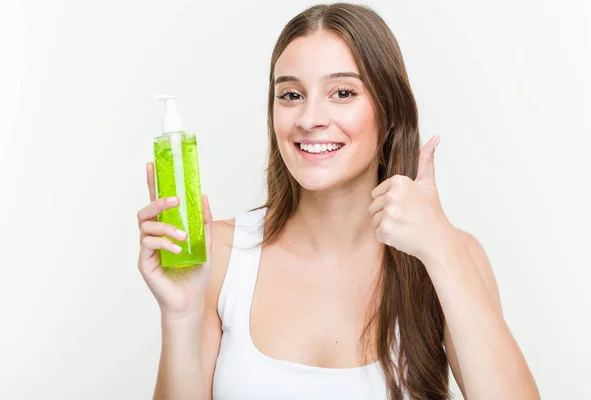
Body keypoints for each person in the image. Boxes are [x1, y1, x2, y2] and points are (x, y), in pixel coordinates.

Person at [136, 3, 540, 400]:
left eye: (343, 92)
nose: (310, 118)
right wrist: (181, 315)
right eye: (291, 94)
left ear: (391, 114)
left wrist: (441, 250)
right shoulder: (221, 255)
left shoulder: (452, 254)